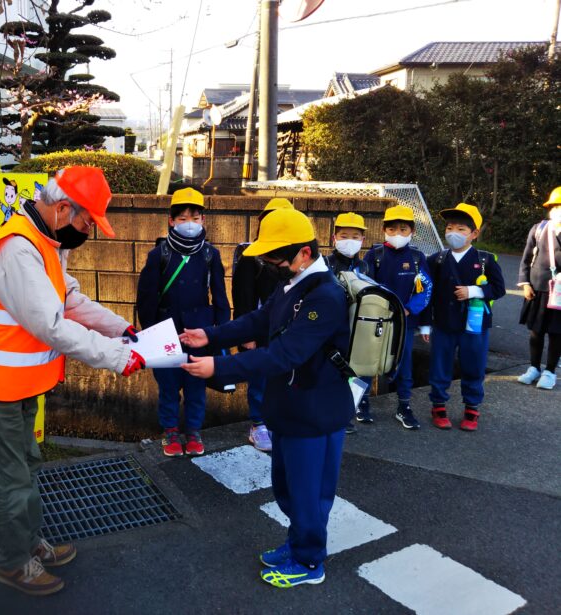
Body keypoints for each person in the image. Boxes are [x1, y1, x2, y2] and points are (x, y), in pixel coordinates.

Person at [0, 167, 145, 596]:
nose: (88, 232)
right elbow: (53, 325)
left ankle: (29, 543)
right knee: (11, 477)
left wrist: (120, 330)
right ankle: (14, 562)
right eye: (86, 222)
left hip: (19, 383)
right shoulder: (17, 250)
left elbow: (69, 298)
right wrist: (119, 356)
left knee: (27, 464)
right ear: (63, 209)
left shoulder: (46, 241)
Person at [180, 208, 352, 589]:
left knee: (309, 494)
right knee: (288, 487)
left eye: (275, 257)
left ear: (303, 253)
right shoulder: (294, 285)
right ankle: (296, 544)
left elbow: (284, 354)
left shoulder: (325, 296)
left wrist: (219, 368)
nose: (269, 263)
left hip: (315, 412)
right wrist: (211, 336)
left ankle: (310, 563)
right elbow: (259, 322)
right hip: (290, 408)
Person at [136, 187, 231, 457]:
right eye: (183, 218)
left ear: (203, 220)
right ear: (171, 220)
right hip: (166, 331)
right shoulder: (159, 254)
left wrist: (220, 332)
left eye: (195, 217)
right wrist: (150, 332)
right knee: (168, 385)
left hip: (200, 332)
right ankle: (170, 432)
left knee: (196, 385)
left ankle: (193, 431)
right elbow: (146, 297)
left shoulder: (210, 254)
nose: (189, 223)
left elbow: (221, 297)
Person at [421, 203, 505, 431]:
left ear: (474, 233)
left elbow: (499, 289)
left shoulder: (485, 260)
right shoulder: (436, 259)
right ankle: (438, 405)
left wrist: (474, 291)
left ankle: (472, 408)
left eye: (461, 229)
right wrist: (426, 325)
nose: (453, 233)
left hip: (475, 326)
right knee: (440, 366)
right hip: (444, 324)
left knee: (474, 366)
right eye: (449, 228)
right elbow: (426, 293)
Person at [231, 197, 294, 452]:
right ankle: (257, 424)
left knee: (283, 378)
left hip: (288, 330)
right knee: (259, 378)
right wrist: (247, 333)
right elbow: (243, 298)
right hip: (261, 330)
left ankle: (277, 420)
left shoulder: (297, 257)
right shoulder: (252, 257)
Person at [363, 205, 433, 430]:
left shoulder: (417, 257)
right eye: (392, 229)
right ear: (384, 230)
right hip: (377, 321)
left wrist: (409, 309)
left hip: (405, 323)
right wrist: (382, 307)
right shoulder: (375, 255)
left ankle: (404, 406)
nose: (397, 234)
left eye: (403, 229)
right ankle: (360, 402)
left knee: (404, 366)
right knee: (366, 363)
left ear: (412, 231)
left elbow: (426, 289)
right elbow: (366, 286)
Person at [324, 212, 370, 435]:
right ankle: (329, 412)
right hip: (331, 327)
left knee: (356, 372)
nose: (349, 240)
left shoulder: (366, 266)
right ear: (334, 238)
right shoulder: (324, 263)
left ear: (362, 239)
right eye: (344, 235)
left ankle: (347, 413)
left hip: (359, 328)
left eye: (355, 236)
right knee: (331, 369)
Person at [516, 186, 561, 390]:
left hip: (559, 293)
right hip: (536, 289)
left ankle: (550, 371)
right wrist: (525, 283)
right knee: (536, 332)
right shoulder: (539, 228)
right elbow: (526, 259)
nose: (558, 210)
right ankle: (533, 368)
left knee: (556, 334)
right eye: (555, 206)